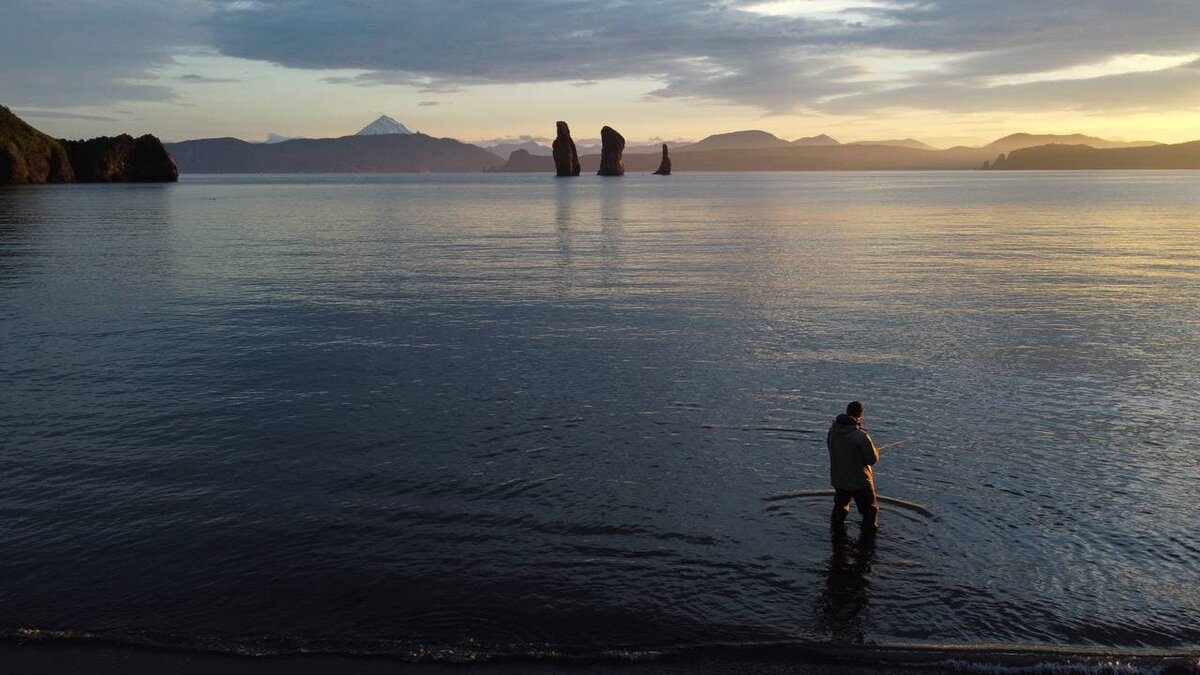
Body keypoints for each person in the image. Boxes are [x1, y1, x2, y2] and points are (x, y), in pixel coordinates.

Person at [827, 401, 880, 530]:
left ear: (847, 412)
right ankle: (868, 539)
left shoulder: (832, 431)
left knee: (840, 507)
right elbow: (872, 460)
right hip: (860, 481)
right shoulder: (860, 436)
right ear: (861, 414)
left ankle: (836, 533)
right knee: (869, 511)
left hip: (839, 478)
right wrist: (876, 451)